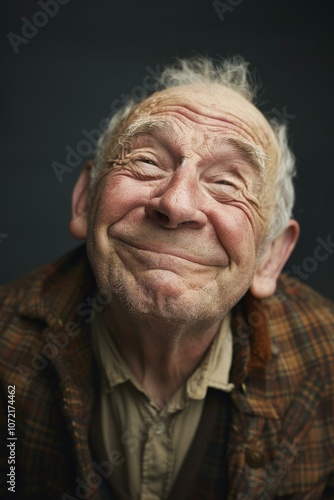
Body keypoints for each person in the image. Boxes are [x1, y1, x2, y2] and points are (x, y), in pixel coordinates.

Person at [0, 56, 333, 500]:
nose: (176, 204)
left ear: (270, 256)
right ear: (84, 201)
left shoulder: (327, 361)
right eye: (147, 161)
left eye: (228, 183)